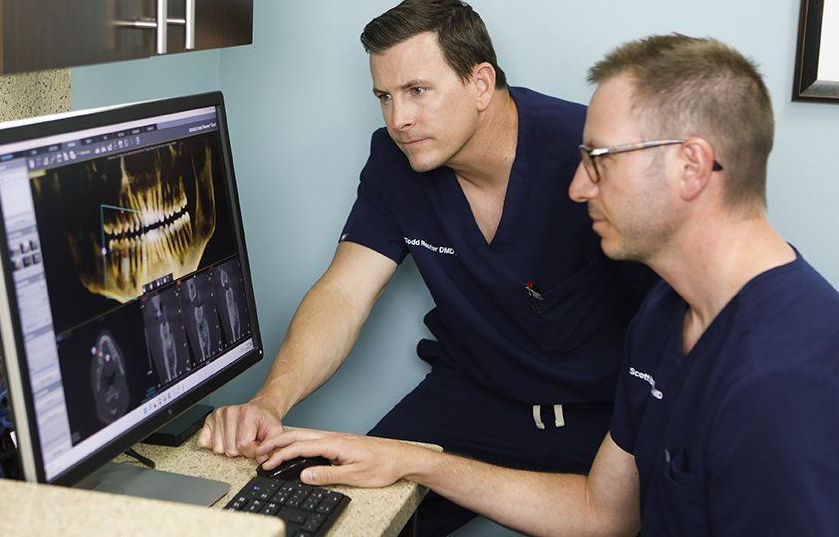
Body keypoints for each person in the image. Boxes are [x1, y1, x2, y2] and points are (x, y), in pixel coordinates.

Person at [255, 34, 839, 535]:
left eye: (601, 159)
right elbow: (601, 515)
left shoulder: (783, 379)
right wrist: (413, 460)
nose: (579, 187)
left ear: (691, 166)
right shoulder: (668, 315)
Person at [198, 0, 652, 535]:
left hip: (602, 416)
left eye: (417, 91)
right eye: (384, 97)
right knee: (340, 514)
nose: (399, 120)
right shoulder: (397, 161)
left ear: (481, 83)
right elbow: (345, 292)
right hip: (473, 397)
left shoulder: (585, 156)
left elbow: (675, 319)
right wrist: (271, 402)